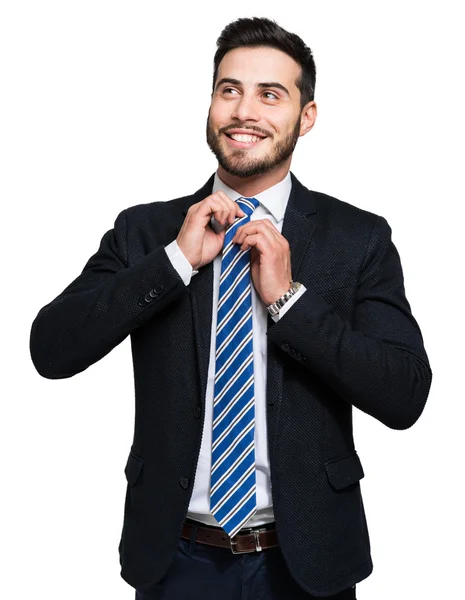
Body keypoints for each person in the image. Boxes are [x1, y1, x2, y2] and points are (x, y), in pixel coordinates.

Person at [29, 16, 433, 600]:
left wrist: (289, 302)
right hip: (174, 559)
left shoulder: (358, 238)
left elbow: (404, 395)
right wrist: (173, 263)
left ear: (306, 116)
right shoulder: (146, 231)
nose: (245, 111)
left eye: (271, 94)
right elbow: (52, 349)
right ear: (211, 103)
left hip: (308, 562)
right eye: (229, 90)